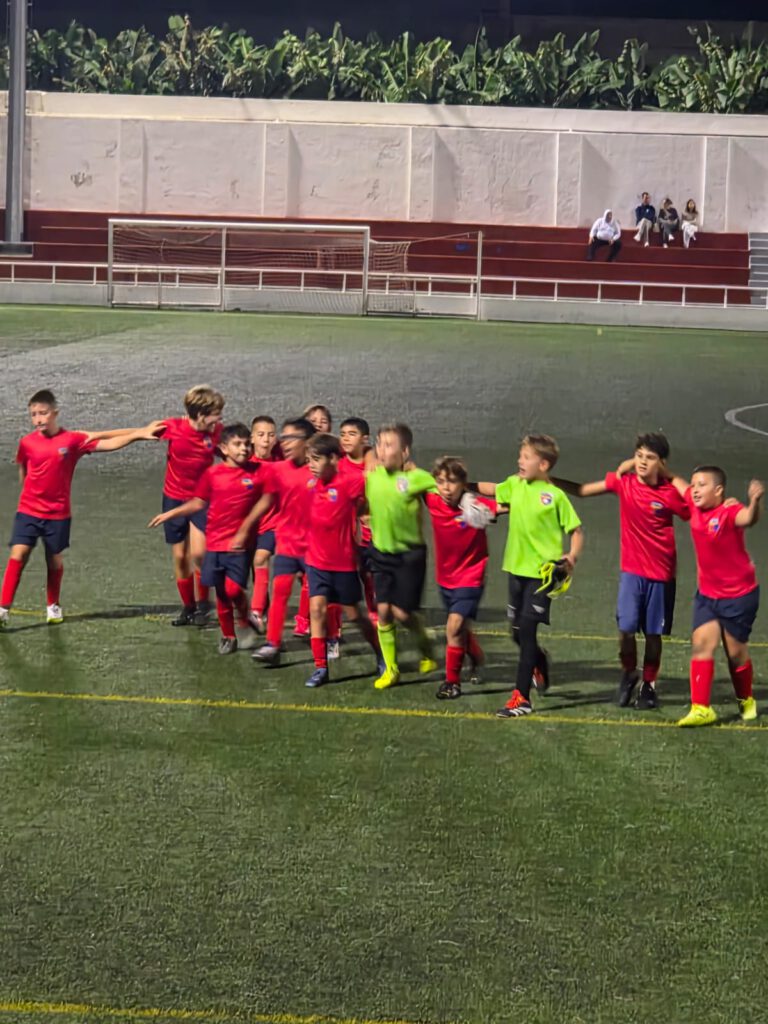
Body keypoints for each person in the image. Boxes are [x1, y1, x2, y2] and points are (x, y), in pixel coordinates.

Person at [0, 389, 160, 628]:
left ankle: (53, 605)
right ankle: (3, 610)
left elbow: (108, 442)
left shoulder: (72, 440)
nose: (38, 419)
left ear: (55, 413)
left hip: (58, 514)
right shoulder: (27, 442)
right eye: (33, 415)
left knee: (54, 560)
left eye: (43, 413)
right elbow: (23, 468)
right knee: (18, 555)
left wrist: (139, 435)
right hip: (28, 512)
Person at [554, 433, 690, 710]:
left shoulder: (669, 493)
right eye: (638, 455)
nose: (642, 462)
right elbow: (582, 490)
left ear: (661, 463)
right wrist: (550, 481)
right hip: (632, 572)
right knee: (626, 628)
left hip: (661, 575)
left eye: (650, 458)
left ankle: (649, 685)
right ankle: (629, 673)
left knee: (653, 634)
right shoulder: (623, 483)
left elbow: (692, 501)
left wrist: (671, 475)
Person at [477, 434, 583, 719]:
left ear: (543, 464)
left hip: (542, 575)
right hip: (515, 570)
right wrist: (466, 486)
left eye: (526, 457)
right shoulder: (515, 484)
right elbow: (493, 489)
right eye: (520, 456)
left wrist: (571, 556)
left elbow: (576, 531)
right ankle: (539, 660)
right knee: (516, 632)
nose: (519, 461)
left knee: (526, 632)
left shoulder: (555, 497)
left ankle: (521, 698)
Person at [149, 424, 266, 655]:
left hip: (240, 545)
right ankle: (228, 636)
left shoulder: (259, 471)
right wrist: (171, 514)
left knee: (233, 590)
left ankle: (245, 617)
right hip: (216, 543)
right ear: (224, 448)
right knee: (221, 591)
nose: (244, 449)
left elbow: (275, 491)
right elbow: (198, 503)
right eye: (238, 444)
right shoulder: (212, 475)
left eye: (246, 444)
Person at [666, 467, 763, 727]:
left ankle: (746, 699)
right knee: (701, 644)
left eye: (702, 485)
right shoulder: (694, 503)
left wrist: (755, 501)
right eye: (694, 485)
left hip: (738, 596)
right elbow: (675, 480)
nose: (695, 490)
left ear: (718, 490)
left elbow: (748, 518)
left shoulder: (729, 511)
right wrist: (651, 462)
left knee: (736, 654)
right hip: (707, 596)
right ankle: (701, 708)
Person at [233, 417, 317, 667]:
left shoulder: (320, 470)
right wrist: (245, 526)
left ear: (307, 442)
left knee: (326, 598)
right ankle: (272, 643)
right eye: (284, 437)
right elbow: (265, 498)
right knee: (280, 591)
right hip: (287, 543)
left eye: (291, 438)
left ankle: (329, 638)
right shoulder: (278, 469)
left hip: (315, 545)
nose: (284, 442)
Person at [303, 432, 384, 688]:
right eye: (309, 459)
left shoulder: (349, 482)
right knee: (317, 610)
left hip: (343, 564)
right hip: (316, 562)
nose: (311, 465)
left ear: (332, 459)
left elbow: (375, 485)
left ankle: (380, 652)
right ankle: (320, 667)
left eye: (316, 459)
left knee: (355, 615)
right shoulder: (311, 484)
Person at [365, 423, 438, 690]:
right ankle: (391, 669)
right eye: (379, 444)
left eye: (388, 445)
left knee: (402, 613)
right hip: (381, 554)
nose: (381, 450)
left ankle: (426, 647)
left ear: (404, 452)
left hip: (409, 556)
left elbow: (444, 491)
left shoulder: (417, 478)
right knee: (383, 611)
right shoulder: (372, 476)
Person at [424, 457, 498, 700]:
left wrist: (472, 492)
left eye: (452, 482)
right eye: (440, 482)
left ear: (463, 483)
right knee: (461, 629)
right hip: (445, 578)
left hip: (471, 577)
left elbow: (511, 502)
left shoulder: (476, 506)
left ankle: (452, 683)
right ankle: (476, 656)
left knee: (454, 626)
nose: (446, 488)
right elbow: (412, 479)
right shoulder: (432, 500)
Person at [156, 385, 225, 627]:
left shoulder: (217, 432)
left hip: (202, 500)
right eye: (215, 414)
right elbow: (139, 433)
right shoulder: (173, 427)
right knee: (180, 556)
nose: (219, 418)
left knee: (199, 554)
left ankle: (204, 604)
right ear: (200, 414)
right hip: (173, 497)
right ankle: (188, 607)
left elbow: (233, 452)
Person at [338, 416, 377, 624]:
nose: (346, 439)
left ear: (364, 439)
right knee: (360, 572)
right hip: (351, 530)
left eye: (352, 434)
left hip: (375, 529)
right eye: (343, 434)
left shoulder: (375, 464)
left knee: (373, 573)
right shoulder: (338, 465)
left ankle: (376, 608)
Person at [249, 414, 281, 633]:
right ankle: (264, 609)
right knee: (253, 569)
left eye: (270, 435)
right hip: (249, 528)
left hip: (274, 525)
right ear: (252, 438)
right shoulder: (244, 465)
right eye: (261, 435)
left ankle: (256, 612)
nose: (266, 439)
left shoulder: (281, 463)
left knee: (260, 559)